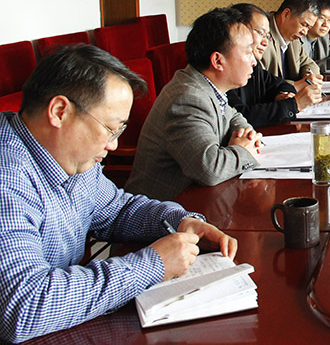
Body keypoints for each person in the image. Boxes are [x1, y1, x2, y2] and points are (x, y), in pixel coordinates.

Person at [0, 44, 237, 343]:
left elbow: (118, 209)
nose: (113, 145)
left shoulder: (70, 156)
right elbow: (25, 307)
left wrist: (180, 220)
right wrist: (154, 264)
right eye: (110, 129)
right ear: (60, 112)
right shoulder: (8, 177)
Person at [126, 7, 262, 201]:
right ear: (218, 61)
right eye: (248, 52)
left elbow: (234, 116)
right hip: (162, 210)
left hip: (198, 199)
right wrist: (243, 151)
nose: (254, 61)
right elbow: (210, 169)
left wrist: (246, 136)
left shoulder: (205, 85)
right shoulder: (187, 99)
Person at [228, 3, 322, 126]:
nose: (265, 42)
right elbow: (240, 116)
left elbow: (280, 84)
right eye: (260, 33)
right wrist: (294, 104)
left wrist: (281, 95)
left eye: (267, 36)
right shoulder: (224, 70)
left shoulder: (254, 66)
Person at [261, 0, 323, 90]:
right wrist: (296, 85)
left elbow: (309, 64)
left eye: (309, 28)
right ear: (286, 14)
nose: (305, 32)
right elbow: (261, 82)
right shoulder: (262, 35)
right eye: (304, 25)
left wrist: (308, 76)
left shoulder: (293, 37)